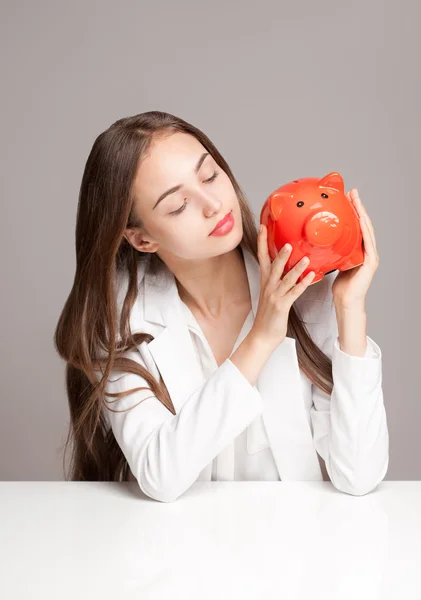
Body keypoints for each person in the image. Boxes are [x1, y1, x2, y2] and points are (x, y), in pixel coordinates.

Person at [54, 110, 389, 502]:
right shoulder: (117, 319)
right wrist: (260, 338)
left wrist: (349, 308)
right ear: (142, 239)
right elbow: (160, 474)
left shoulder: (307, 288)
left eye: (210, 175)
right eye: (178, 205)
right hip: (178, 556)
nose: (213, 204)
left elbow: (359, 475)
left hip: (300, 552)